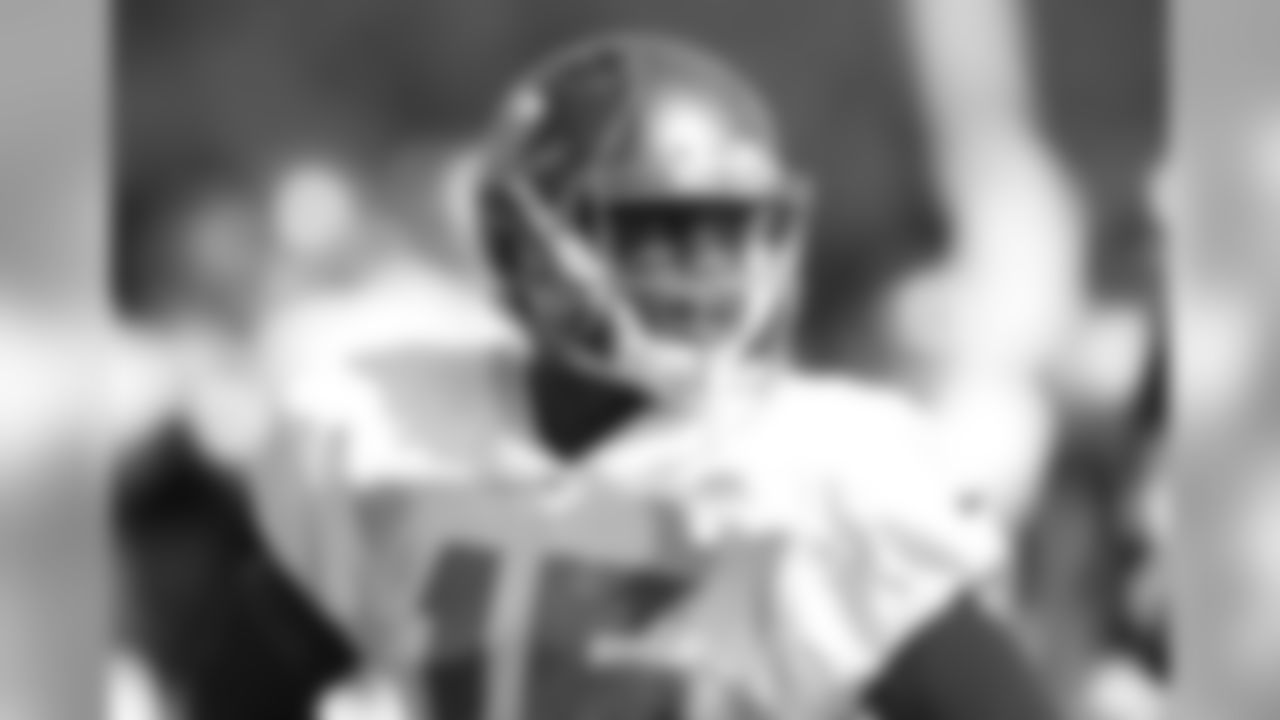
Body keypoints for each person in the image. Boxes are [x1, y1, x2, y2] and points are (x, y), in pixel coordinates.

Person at [303, 33, 1060, 720]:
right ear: (529, 240)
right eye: (661, 232)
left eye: (728, 233)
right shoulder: (379, 430)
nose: (705, 273)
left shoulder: (818, 482)